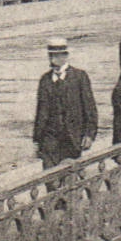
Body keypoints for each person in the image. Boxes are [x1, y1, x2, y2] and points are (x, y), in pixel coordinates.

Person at [32, 38, 97, 168]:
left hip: (72, 139)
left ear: (65, 56)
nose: (53, 58)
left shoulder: (79, 77)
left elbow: (90, 109)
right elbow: (41, 113)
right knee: (50, 180)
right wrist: (37, 140)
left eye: (57, 54)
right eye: (51, 55)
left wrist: (89, 135)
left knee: (70, 178)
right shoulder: (45, 80)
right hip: (50, 141)